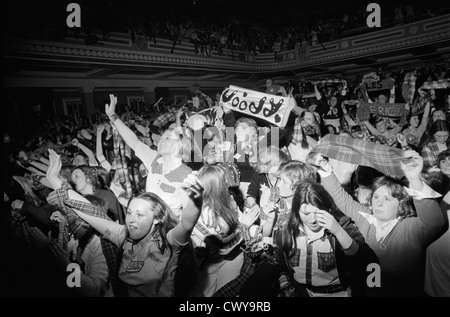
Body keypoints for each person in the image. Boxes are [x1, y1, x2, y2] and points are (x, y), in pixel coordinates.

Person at [317, 150, 445, 296]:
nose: (378, 203)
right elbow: (343, 200)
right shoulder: (367, 218)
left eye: (387, 199)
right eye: (376, 197)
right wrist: (326, 170)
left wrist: (415, 180)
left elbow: (434, 221)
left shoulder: (409, 228)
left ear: (401, 204)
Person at [63, 169, 204, 297]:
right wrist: (55, 181)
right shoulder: (123, 236)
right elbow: (89, 211)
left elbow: (186, 224)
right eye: (129, 213)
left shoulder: (168, 242)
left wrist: (194, 201)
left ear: (157, 218)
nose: (131, 220)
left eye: (140, 215)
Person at [275, 181, 379, 297]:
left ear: (327, 209)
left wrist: (338, 231)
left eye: (318, 213)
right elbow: (282, 264)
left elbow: (367, 263)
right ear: (296, 211)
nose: (312, 219)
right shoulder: (287, 232)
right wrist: (285, 284)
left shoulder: (343, 227)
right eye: (306, 213)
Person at [105, 94, 192, 216]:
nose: (161, 140)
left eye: (167, 138)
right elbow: (133, 141)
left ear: (179, 145)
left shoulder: (186, 174)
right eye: (161, 137)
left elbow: (192, 212)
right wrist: (113, 117)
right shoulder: (154, 160)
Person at [189, 164, 245, 297]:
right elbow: (222, 246)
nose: (228, 185)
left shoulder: (229, 199)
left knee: (225, 294)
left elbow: (240, 220)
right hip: (208, 264)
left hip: (232, 259)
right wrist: (244, 227)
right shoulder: (195, 211)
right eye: (224, 181)